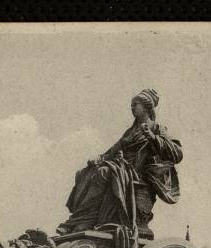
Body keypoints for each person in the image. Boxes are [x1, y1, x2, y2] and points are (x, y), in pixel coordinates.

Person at [56, 88, 183, 239]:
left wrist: (153, 138)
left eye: (136, 104)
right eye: (132, 104)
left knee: (104, 172)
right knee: (85, 172)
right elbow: (114, 150)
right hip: (123, 169)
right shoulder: (130, 132)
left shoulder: (157, 128)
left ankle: (85, 220)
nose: (132, 107)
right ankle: (80, 219)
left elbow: (177, 153)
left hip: (138, 175)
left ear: (147, 106)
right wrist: (99, 158)